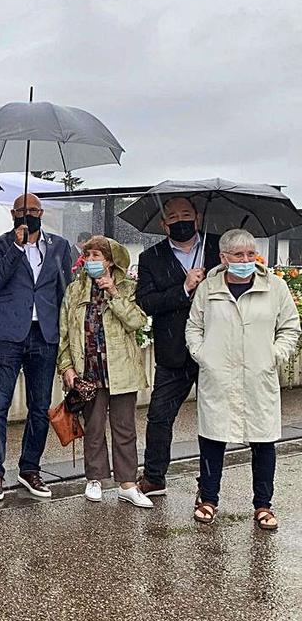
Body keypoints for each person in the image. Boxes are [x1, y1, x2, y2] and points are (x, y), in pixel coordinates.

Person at [185, 229, 299, 531]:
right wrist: (202, 354)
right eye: (238, 255)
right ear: (224, 257)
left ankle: (263, 505)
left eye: (250, 253)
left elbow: (290, 328)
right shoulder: (208, 288)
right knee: (212, 438)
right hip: (218, 376)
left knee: (263, 441)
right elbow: (193, 326)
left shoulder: (274, 287)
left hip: (258, 377)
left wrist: (273, 355)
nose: (246, 259)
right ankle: (208, 499)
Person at [0, 193, 74, 502]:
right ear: (12, 214)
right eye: (22, 210)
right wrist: (18, 246)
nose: (28, 214)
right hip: (7, 334)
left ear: (42, 212)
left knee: (39, 405)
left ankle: (30, 468)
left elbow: (65, 292)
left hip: (44, 334)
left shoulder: (59, 246)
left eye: (33, 210)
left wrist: (66, 337)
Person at [57, 237, 152, 508]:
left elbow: (137, 322)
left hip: (120, 370)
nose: (91, 261)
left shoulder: (128, 288)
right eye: (88, 255)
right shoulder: (75, 291)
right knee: (94, 426)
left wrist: (114, 294)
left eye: (97, 255)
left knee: (124, 429)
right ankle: (95, 478)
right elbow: (63, 333)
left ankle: (127, 484)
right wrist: (67, 368)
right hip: (88, 370)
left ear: (110, 261)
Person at [134, 197, 220, 497]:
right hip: (173, 351)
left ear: (197, 217)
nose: (180, 220)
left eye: (186, 214)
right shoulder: (151, 258)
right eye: (173, 216)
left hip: (214, 349)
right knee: (159, 416)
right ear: (163, 224)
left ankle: (209, 485)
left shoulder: (218, 250)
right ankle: (155, 476)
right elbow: (147, 302)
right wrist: (184, 288)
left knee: (212, 418)